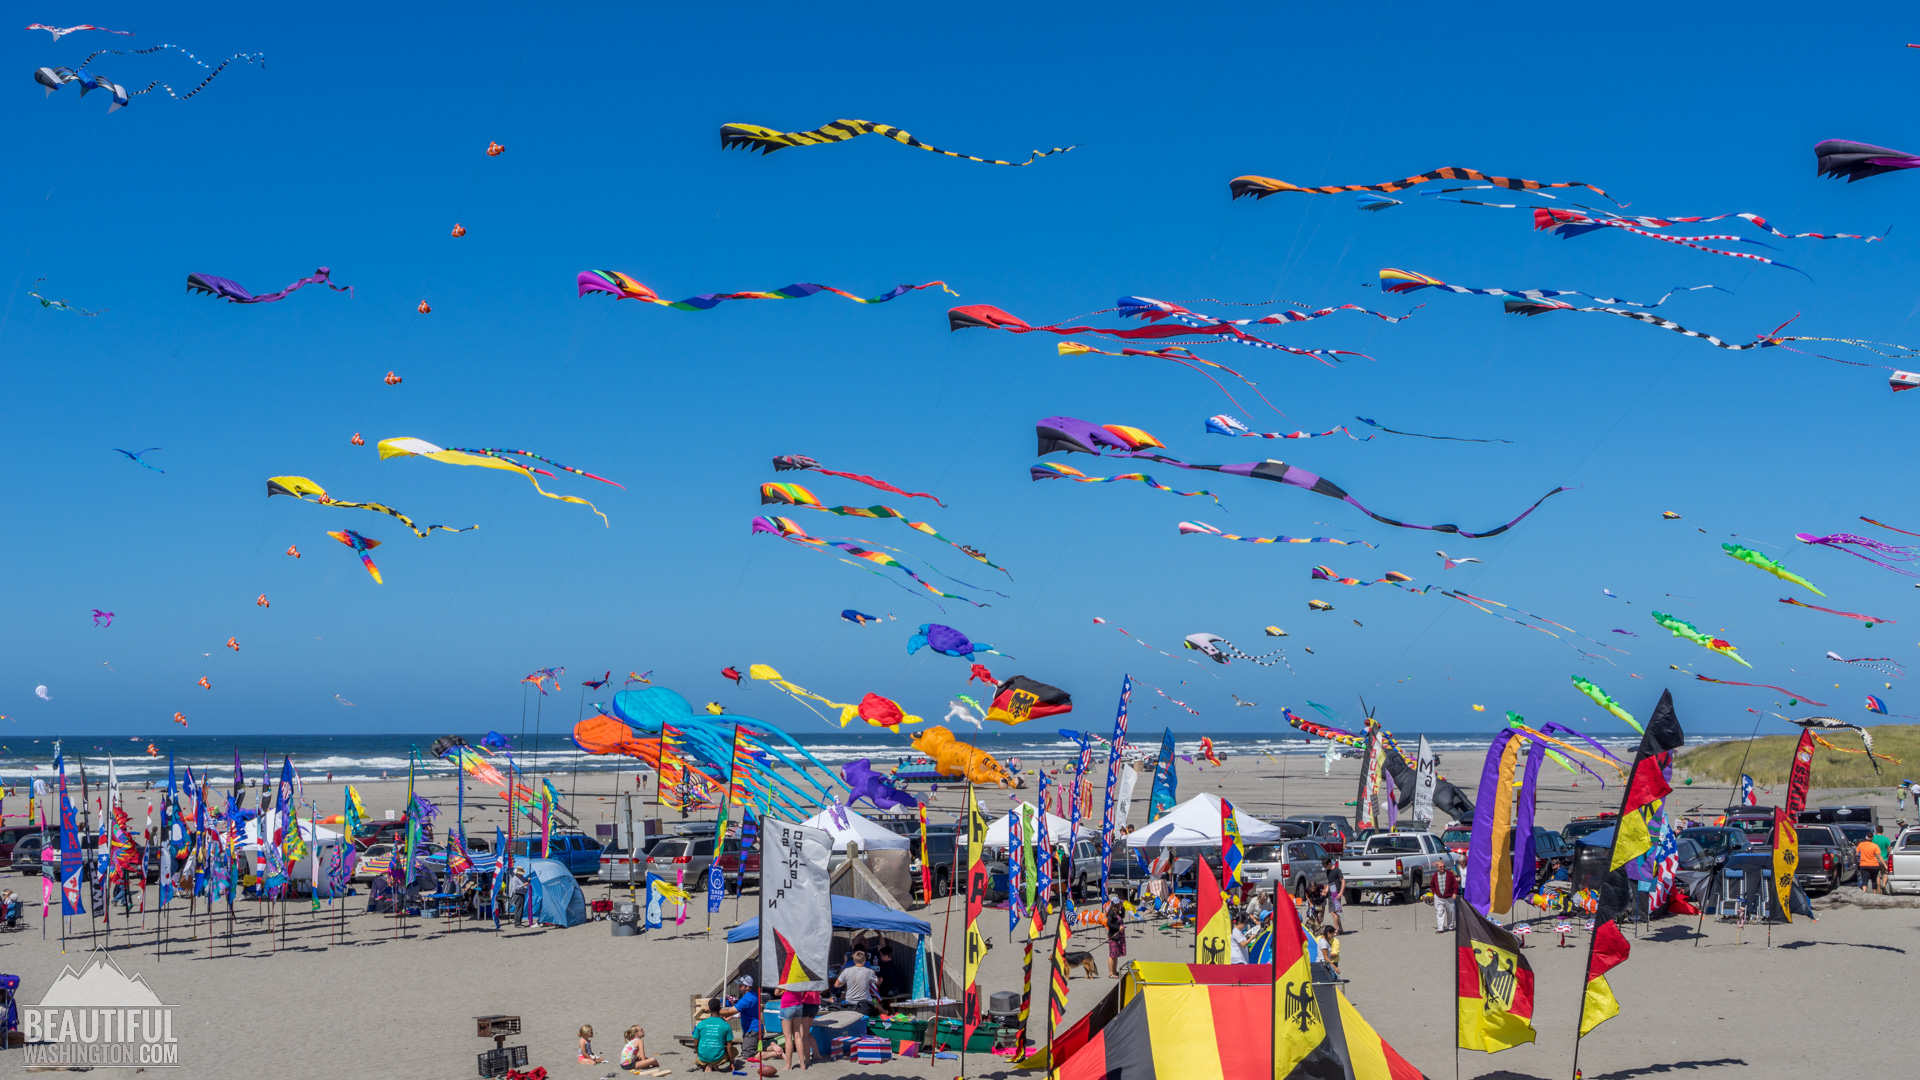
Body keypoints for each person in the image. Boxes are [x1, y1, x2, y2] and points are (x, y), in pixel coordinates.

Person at [778, 986, 820, 1071]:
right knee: (804, 1033)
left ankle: (805, 1060)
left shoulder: (790, 980)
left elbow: (777, 992)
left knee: (802, 1035)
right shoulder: (808, 979)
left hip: (802, 1003)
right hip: (815, 1003)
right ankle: (815, 1056)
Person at [693, 999, 737, 1072]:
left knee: (705, 1050)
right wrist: (731, 1062)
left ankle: (707, 1064)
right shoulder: (725, 1025)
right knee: (735, 1050)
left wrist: (699, 1054)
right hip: (718, 1058)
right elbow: (729, 1046)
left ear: (709, 1009)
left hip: (702, 1058)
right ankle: (714, 1064)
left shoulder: (701, 1024)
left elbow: (695, 1044)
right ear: (720, 1009)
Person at [722, 975, 760, 1042]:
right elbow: (747, 1013)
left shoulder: (747, 999)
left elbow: (729, 1012)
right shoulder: (753, 994)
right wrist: (732, 1016)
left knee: (748, 1049)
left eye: (741, 986)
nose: (738, 987)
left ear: (747, 987)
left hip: (752, 1030)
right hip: (753, 1029)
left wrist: (713, 1010)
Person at [1103, 891, 1128, 977]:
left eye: (1118, 904)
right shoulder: (1111, 912)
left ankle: (1114, 971)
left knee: (1116, 954)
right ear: (1113, 904)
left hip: (1118, 936)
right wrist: (1118, 928)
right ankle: (1111, 973)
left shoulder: (1117, 911)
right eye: (1116, 904)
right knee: (1112, 954)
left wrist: (1122, 907)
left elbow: (1122, 916)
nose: (1118, 905)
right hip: (1113, 935)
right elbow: (1108, 923)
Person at [1432, 858, 1458, 933]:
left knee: (1451, 912)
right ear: (1437, 867)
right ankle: (1440, 928)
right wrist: (1435, 893)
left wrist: (1454, 893)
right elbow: (1432, 885)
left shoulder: (1450, 874)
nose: (1442, 868)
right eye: (1441, 867)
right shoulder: (1435, 876)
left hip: (1449, 897)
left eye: (1443, 866)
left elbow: (1455, 885)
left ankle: (1451, 926)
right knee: (1439, 912)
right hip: (1439, 897)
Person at [1323, 861, 1345, 935]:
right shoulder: (1327, 871)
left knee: (1334, 912)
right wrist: (1326, 891)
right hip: (1330, 893)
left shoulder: (1337, 870)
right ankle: (1340, 928)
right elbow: (1329, 882)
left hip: (1336, 893)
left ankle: (1335, 930)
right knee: (1337, 912)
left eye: (1325, 866)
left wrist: (1341, 893)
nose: (1325, 867)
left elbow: (1343, 881)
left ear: (1329, 863)